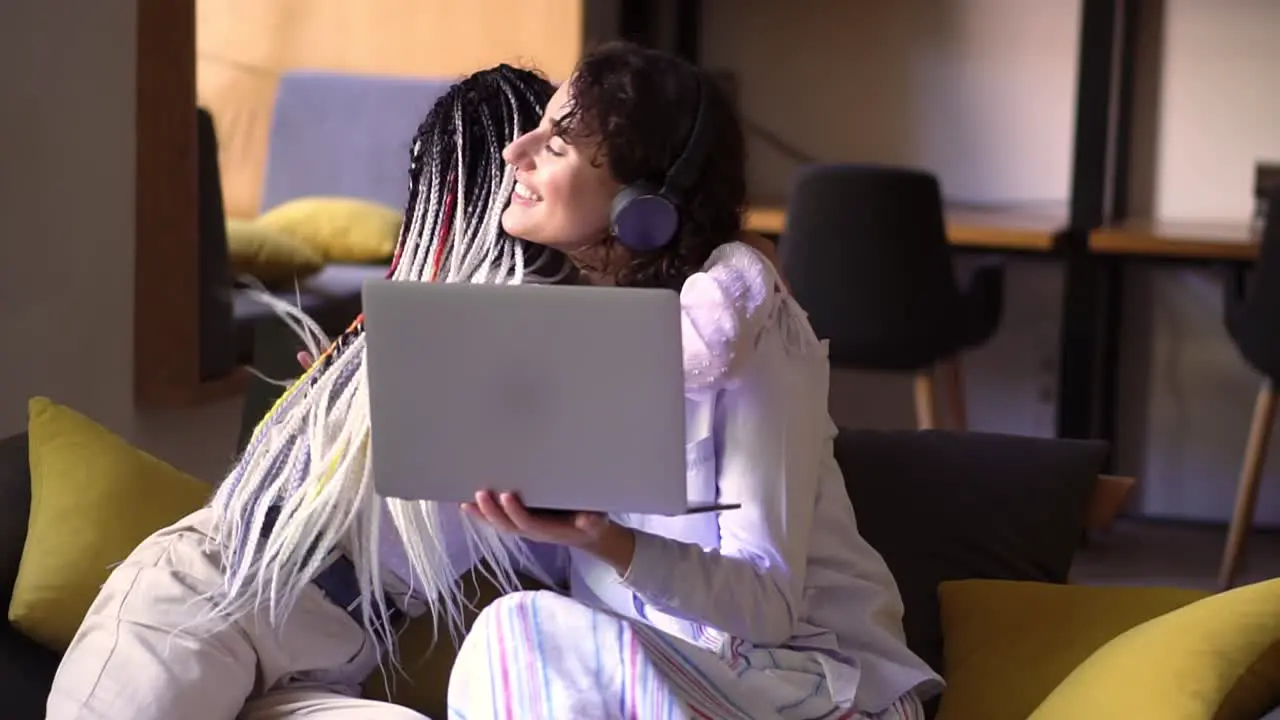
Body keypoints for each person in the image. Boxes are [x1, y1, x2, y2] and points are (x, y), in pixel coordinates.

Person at [48, 42, 942, 720]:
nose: (519, 152)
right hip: (642, 681)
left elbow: (770, 606)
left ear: (642, 203)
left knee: (514, 633)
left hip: (819, 687)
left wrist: (605, 545)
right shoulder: (539, 344)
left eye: (559, 141)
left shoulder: (749, 333)